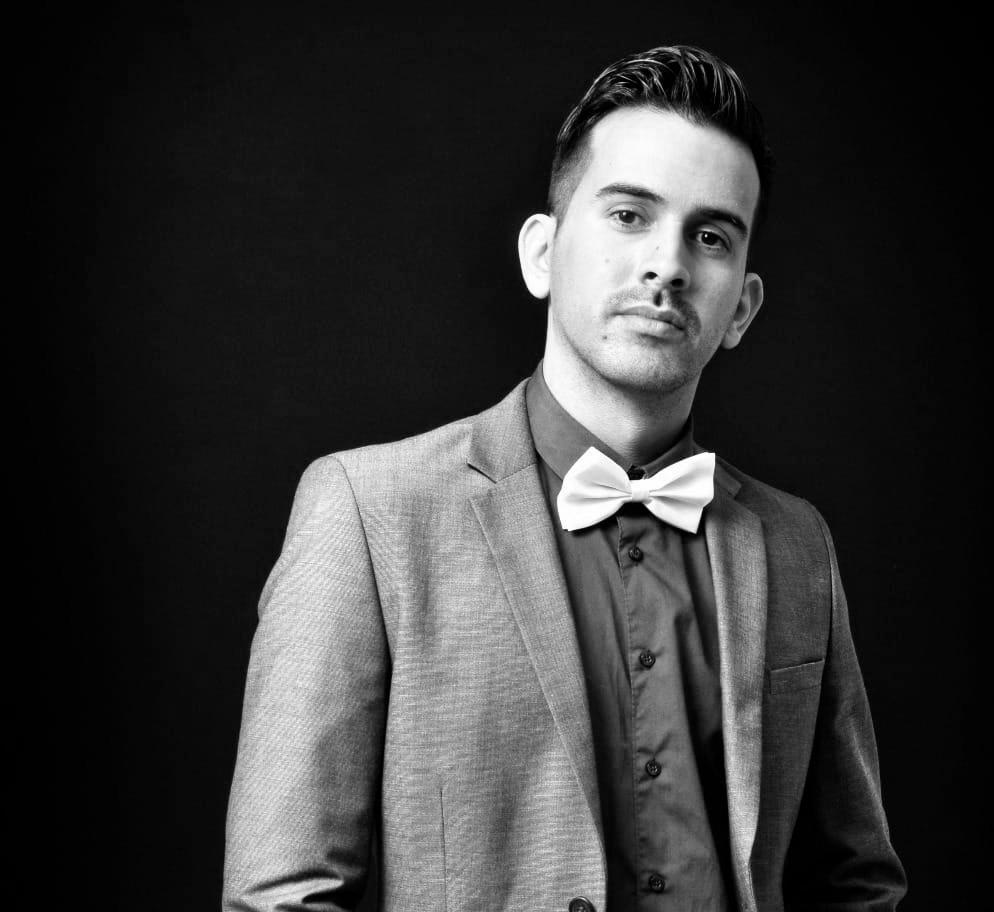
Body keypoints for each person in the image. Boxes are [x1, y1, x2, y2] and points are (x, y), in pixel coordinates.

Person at [224, 45, 906, 912]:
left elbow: (853, 882)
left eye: (710, 236)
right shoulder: (368, 512)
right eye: (628, 214)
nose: (667, 265)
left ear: (741, 306)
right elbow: (281, 895)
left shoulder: (796, 544)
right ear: (542, 254)